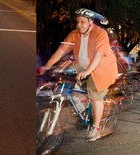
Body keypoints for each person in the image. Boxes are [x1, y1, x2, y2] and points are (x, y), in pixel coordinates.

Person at [39, 8, 118, 142]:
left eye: (82, 22)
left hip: (100, 67)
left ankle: (96, 128)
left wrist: (87, 71)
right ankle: (84, 102)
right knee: (64, 83)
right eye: (78, 21)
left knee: (95, 94)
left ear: (91, 23)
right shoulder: (74, 34)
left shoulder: (100, 34)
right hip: (81, 65)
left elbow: (98, 55)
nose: (79, 24)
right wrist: (48, 66)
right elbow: (61, 51)